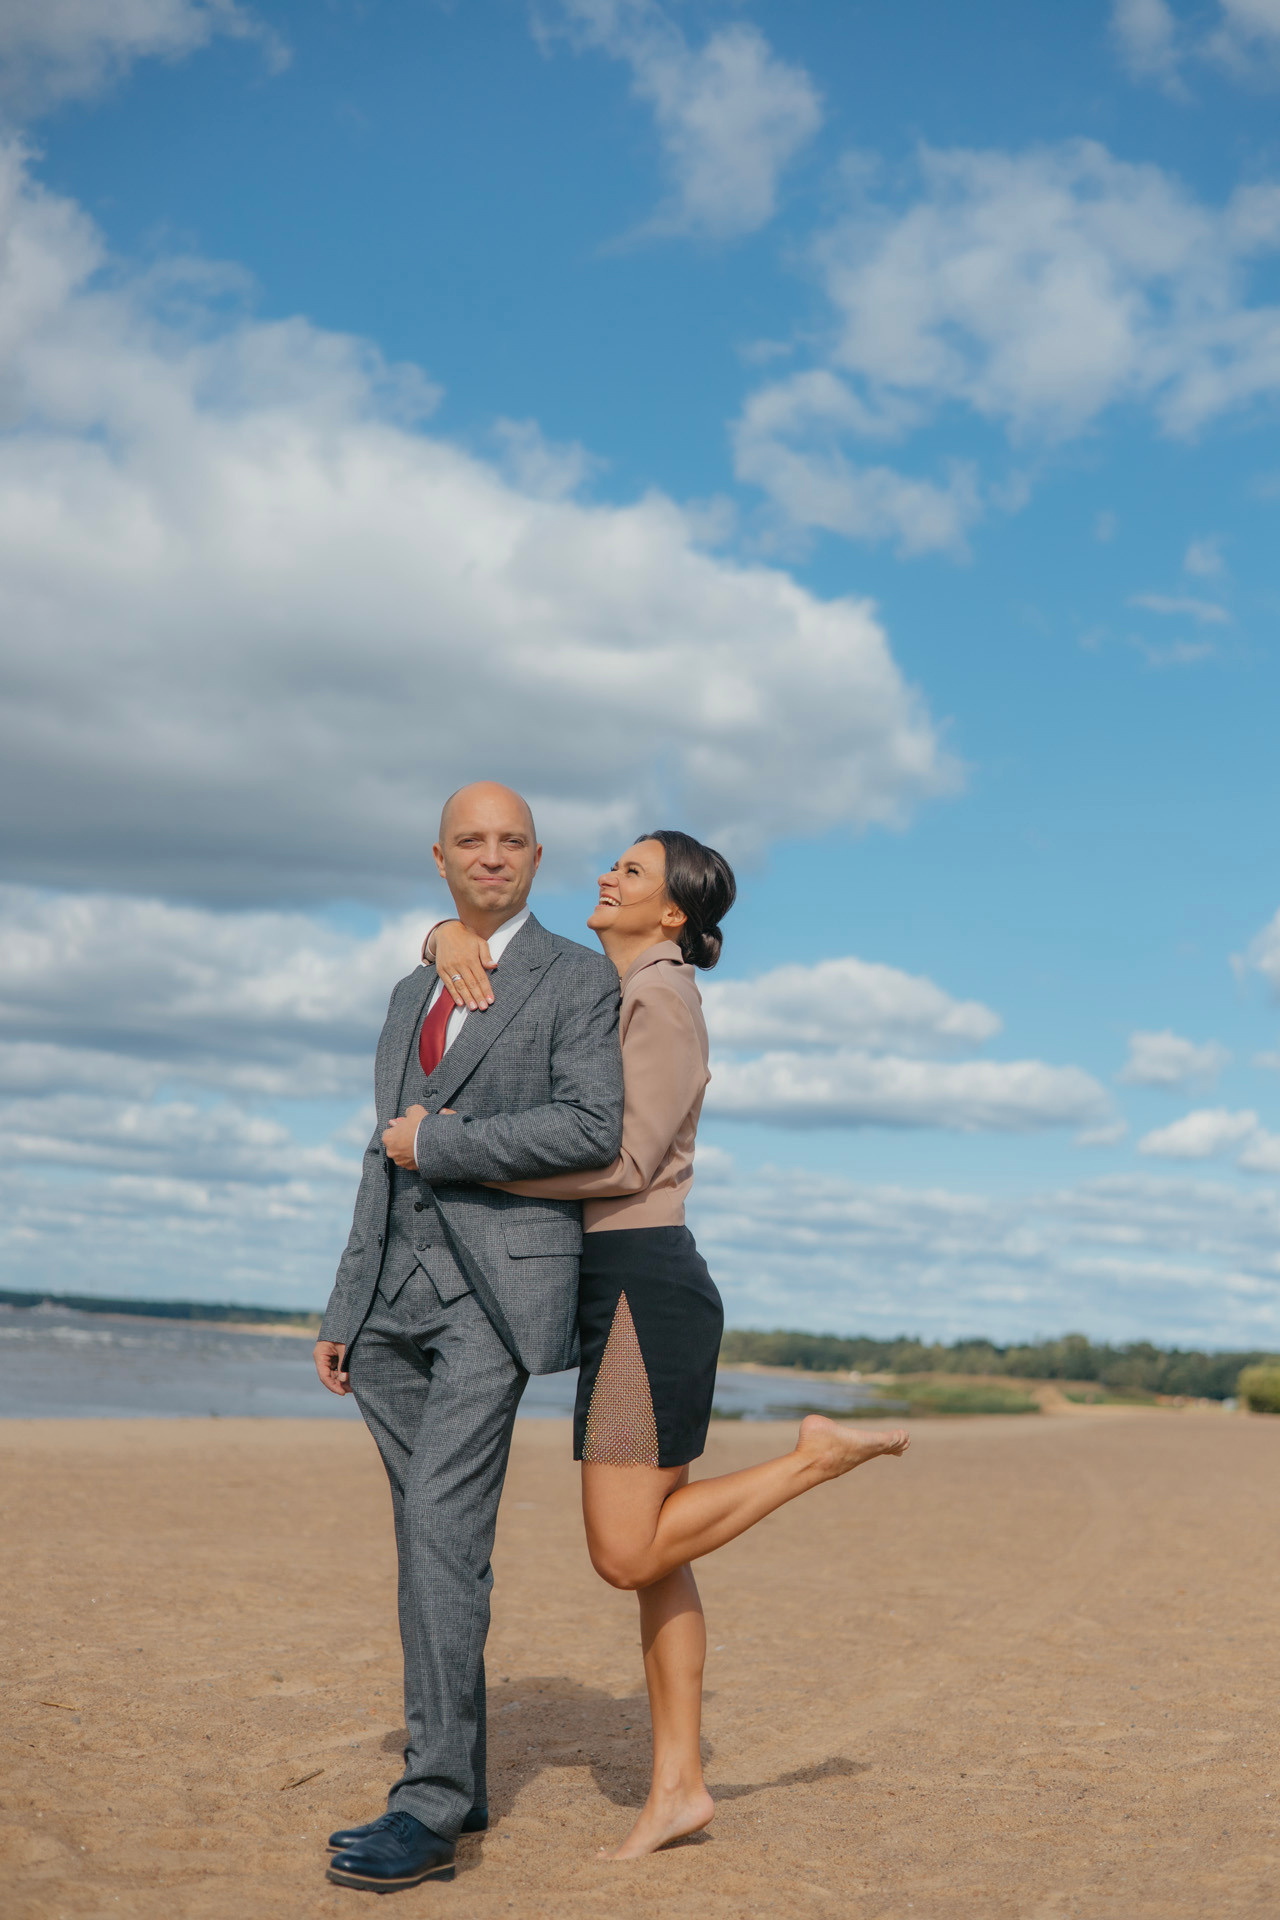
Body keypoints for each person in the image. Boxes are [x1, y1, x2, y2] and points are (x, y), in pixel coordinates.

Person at [430, 830, 909, 1860]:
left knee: (623, 1552)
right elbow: (503, 953)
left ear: (672, 916)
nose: (608, 876)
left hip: (641, 1289)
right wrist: (441, 936)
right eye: (614, 864)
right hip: (630, 1288)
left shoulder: (661, 993)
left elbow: (624, 1157)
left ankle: (812, 1459)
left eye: (633, 872)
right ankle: (678, 1788)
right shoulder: (621, 987)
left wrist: (459, 1162)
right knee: (657, 1563)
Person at [312, 781, 624, 1894]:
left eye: (510, 841)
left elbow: (592, 1127)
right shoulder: (409, 988)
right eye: (469, 842)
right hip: (388, 1307)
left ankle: (431, 1806)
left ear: (536, 857)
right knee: (425, 1541)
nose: (490, 858)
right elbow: (376, 1154)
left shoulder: (579, 980)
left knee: (442, 1534)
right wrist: (346, 1308)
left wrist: (440, 1142)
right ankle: (463, 1775)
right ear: (438, 857)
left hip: (494, 1300)